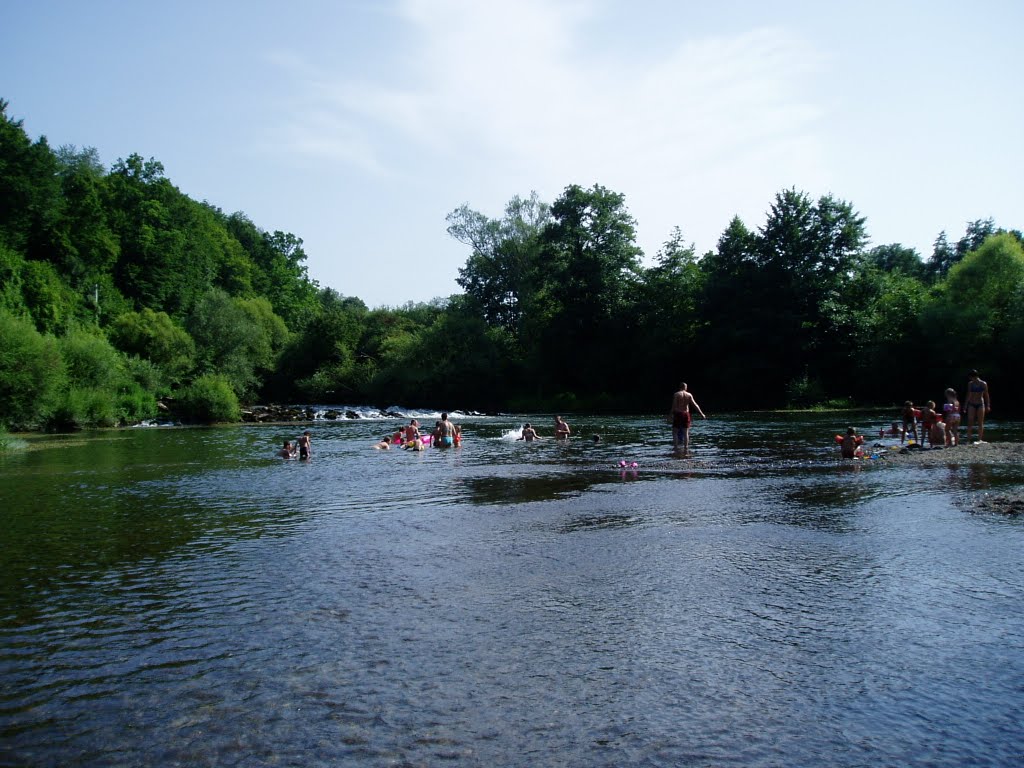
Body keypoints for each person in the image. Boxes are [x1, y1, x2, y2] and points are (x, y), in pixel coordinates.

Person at [669, 381, 706, 454]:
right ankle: (686, 447)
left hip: (678, 413)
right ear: (685, 387)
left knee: (675, 432)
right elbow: (695, 405)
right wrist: (702, 414)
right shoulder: (689, 395)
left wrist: (670, 415)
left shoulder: (676, 394)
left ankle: (676, 448)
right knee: (686, 432)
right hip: (686, 414)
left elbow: (674, 406)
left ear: (680, 387)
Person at [963, 369, 991, 443]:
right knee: (970, 421)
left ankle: (979, 439)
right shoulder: (970, 384)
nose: (970, 379)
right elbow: (968, 394)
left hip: (980, 404)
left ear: (974, 376)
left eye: (971, 377)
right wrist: (965, 405)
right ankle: (968, 440)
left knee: (980, 422)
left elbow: (986, 395)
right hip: (972, 403)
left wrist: (988, 405)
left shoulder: (983, 384)